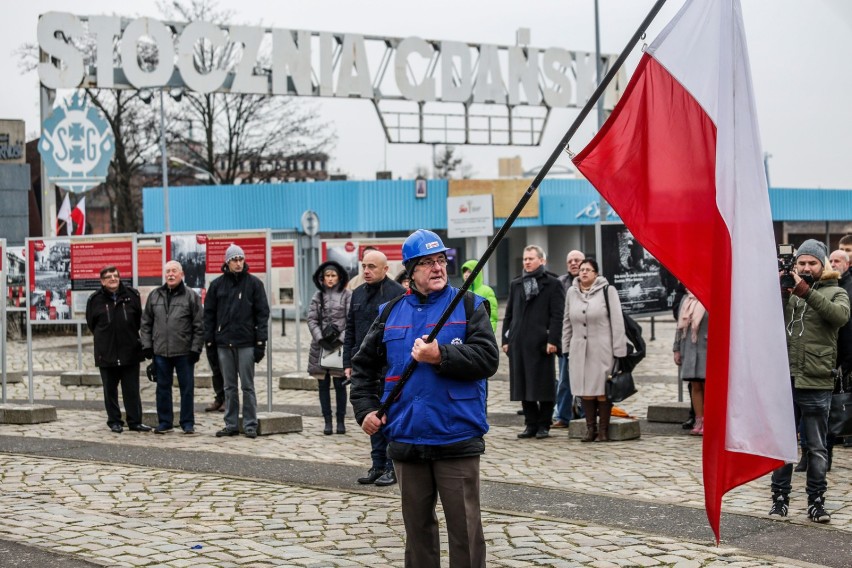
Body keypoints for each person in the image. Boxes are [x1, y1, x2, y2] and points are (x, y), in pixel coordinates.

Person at [350, 229, 499, 568]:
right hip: (406, 438)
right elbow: (362, 368)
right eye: (428, 262)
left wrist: (440, 355)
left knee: (465, 533)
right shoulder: (390, 312)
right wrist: (365, 409)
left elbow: (488, 359)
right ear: (411, 270)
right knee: (417, 535)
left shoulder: (469, 305)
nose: (437, 268)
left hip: (456, 437)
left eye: (441, 260)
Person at [770, 239, 849, 523]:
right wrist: (779, 291)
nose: (805, 267)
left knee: (815, 446)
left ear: (822, 264)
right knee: (782, 444)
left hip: (816, 380)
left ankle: (816, 502)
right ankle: (779, 499)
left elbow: (839, 316)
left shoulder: (836, 291)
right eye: (801, 263)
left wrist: (805, 292)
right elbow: (767, 320)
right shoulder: (789, 294)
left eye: (811, 263)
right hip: (785, 379)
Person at [343, 249, 405, 485]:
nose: (366, 271)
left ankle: (392, 466)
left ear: (385, 269)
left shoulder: (398, 294)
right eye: (364, 266)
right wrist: (348, 362)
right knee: (370, 415)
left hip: (389, 367)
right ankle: (377, 465)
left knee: (389, 417)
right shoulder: (357, 293)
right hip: (365, 367)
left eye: (372, 267)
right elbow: (351, 330)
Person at [203, 244, 270, 439]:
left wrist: (260, 343)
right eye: (234, 259)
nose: (238, 263)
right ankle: (231, 423)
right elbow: (209, 315)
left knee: (247, 386)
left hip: (246, 342)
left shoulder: (254, 284)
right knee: (229, 387)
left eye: (241, 259)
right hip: (224, 343)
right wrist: (210, 341)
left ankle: (250, 424)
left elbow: (262, 315)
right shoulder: (217, 285)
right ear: (227, 262)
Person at [502, 245, 565, 440]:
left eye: (531, 258)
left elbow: (557, 315)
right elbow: (510, 313)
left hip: (541, 342)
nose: (527, 262)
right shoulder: (516, 284)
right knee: (522, 384)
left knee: (543, 385)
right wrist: (506, 339)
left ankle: (544, 424)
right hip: (519, 342)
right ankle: (530, 424)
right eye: (525, 259)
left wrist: (553, 339)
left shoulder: (553, 284)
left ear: (542, 261)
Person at [562, 259, 627, 442]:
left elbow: (617, 322)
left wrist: (619, 350)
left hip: (602, 348)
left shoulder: (608, 291)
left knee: (602, 389)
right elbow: (567, 322)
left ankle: (604, 430)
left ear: (596, 273)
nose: (583, 273)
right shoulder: (571, 293)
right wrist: (566, 347)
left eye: (588, 270)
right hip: (579, 350)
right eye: (581, 270)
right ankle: (591, 429)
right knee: (585, 390)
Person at [85, 265, 151, 434]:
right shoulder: (94, 300)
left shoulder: (132, 295)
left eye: (115, 275)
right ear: (102, 281)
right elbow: (92, 324)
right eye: (108, 277)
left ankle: (135, 421)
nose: (112, 279)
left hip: (130, 350)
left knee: (132, 389)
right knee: (110, 390)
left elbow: (139, 321)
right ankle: (114, 421)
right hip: (106, 352)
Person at [140, 260, 204, 435]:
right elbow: (146, 323)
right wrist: (147, 346)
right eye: (167, 271)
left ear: (181, 274)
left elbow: (199, 325)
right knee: (162, 388)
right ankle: (165, 422)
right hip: (161, 351)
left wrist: (196, 349)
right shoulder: (155, 296)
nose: (170, 274)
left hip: (184, 352)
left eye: (174, 271)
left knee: (187, 389)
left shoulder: (191, 296)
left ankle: (187, 422)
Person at [307, 260, 352, 435]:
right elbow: (311, 319)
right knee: (323, 385)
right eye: (327, 276)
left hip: (339, 347)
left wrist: (340, 339)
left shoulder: (347, 295)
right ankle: (327, 421)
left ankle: (340, 420)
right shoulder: (317, 296)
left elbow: (350, 321)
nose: (330, 279)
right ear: (322, 278)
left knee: (340, 385)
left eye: (333, 275)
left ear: (339, 277)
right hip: (320, 347)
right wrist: (320, 339)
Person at [553, 250, 585, 428]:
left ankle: (585, 413)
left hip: (587, 340)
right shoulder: (560, 283)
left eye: (577, 260)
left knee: (586, 380)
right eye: (570, 261)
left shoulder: (592, 283)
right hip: (566, 340)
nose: (574, 263)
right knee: (565, 380)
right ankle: (563, 416)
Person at [672, 290, 708, 436]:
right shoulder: (686, 299)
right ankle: (698, 420)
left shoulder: (711, 298)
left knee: (708, 386)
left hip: (707, 348)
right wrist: (676, 349)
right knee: (695, 385)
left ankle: (709, 420)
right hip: (689, 347)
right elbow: (679, 328)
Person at [461, 259, 498, 334]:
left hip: (482, 334)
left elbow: (492, 317)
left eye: (469, 271)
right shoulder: (461, 292)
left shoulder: (487, 291)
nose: (466, 274)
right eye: (465, 271)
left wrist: (489, 333)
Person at [204, 342, 226, 413]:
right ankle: (219, 398)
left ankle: (227, 399)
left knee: (226, 371)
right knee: (215, 370)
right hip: (211, 340)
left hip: (224, 339)